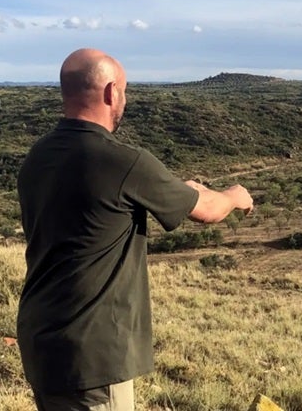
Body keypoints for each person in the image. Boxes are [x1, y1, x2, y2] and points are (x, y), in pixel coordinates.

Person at [16, 48, 254, 411]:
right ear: (111, 92)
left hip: (41, 340)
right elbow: (207, 212)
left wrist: (185, 188)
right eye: (124, 90)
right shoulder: (124, 161)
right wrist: (235, 195)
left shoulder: (38, 156)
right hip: (92, 354)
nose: (124, 99)